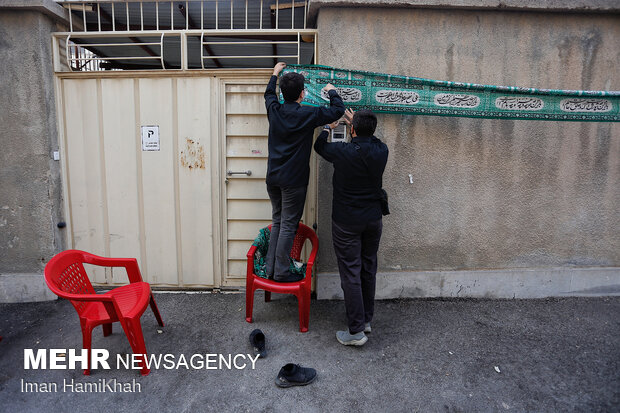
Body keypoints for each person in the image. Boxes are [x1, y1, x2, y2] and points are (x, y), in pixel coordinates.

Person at [314, 108, 389, 346]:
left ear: (352, 129)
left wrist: (329, 127)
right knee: (368, 268)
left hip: (346, 222)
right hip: (373, 220)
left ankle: (355, 331)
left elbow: (319, 146)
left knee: (351, 272)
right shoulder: (381, 150)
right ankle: (366, 320)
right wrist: (358, 124)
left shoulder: (343, 151)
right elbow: (371, 138)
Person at [264, 62, 345, 282]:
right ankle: (281, 272)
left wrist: (275, 74)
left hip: (273, 178)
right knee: (288, 224)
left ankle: (270, 268)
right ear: (302, 94)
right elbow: (338, 110)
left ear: (282, 93)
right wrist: (331, 90)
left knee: (279, 221)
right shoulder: (308, 114)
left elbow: (268, 94)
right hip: (294, 181)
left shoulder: (274, 110)